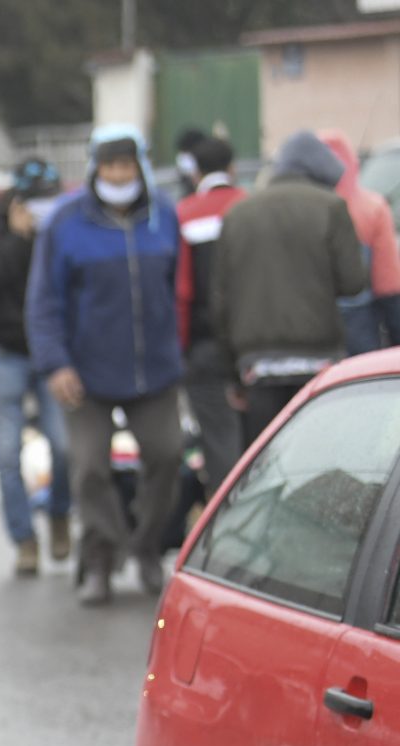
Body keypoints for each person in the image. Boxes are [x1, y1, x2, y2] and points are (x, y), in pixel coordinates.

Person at [27, 127, 184, 606]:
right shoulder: (65, 223)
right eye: (111, 166)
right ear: (97, 168)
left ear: (141, 167)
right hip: (85, 373)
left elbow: (178, 286)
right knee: (89, 467)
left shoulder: (163, 216)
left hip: (153, 370)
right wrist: (56, 364)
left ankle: (146, 547)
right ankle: (99, 558)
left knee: (168, 455)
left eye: (128, 166)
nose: (120, 175)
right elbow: (43, 301)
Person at [211, 132, 366, 447]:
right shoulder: (331, 206)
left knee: (268, 463)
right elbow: (354, 282)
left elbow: (220, 302)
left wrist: (232, 372)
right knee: (320, 456)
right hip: (320, 360)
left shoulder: (237, 214)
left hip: (256, 364)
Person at [0, 159, 75, 576]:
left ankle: (60, 513)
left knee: (64, 446)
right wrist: (17, 238)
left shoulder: (63, 223)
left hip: (51, 354)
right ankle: (25, 540)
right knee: (8, 453)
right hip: (3, 351)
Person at [174, 135, 249, 485]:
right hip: (253, 346)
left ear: (196, 173)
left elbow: (182, 292)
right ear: (232, 169)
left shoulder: (183, 215)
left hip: (205, 348)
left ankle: (226, 523)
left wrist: (182, 350)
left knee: (219, 443)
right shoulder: (250, 207)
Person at [315, 132, 400, 352]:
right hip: (360, 333)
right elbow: (387, 284)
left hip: (311, 338)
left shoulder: (303, 211)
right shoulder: (373, 208)